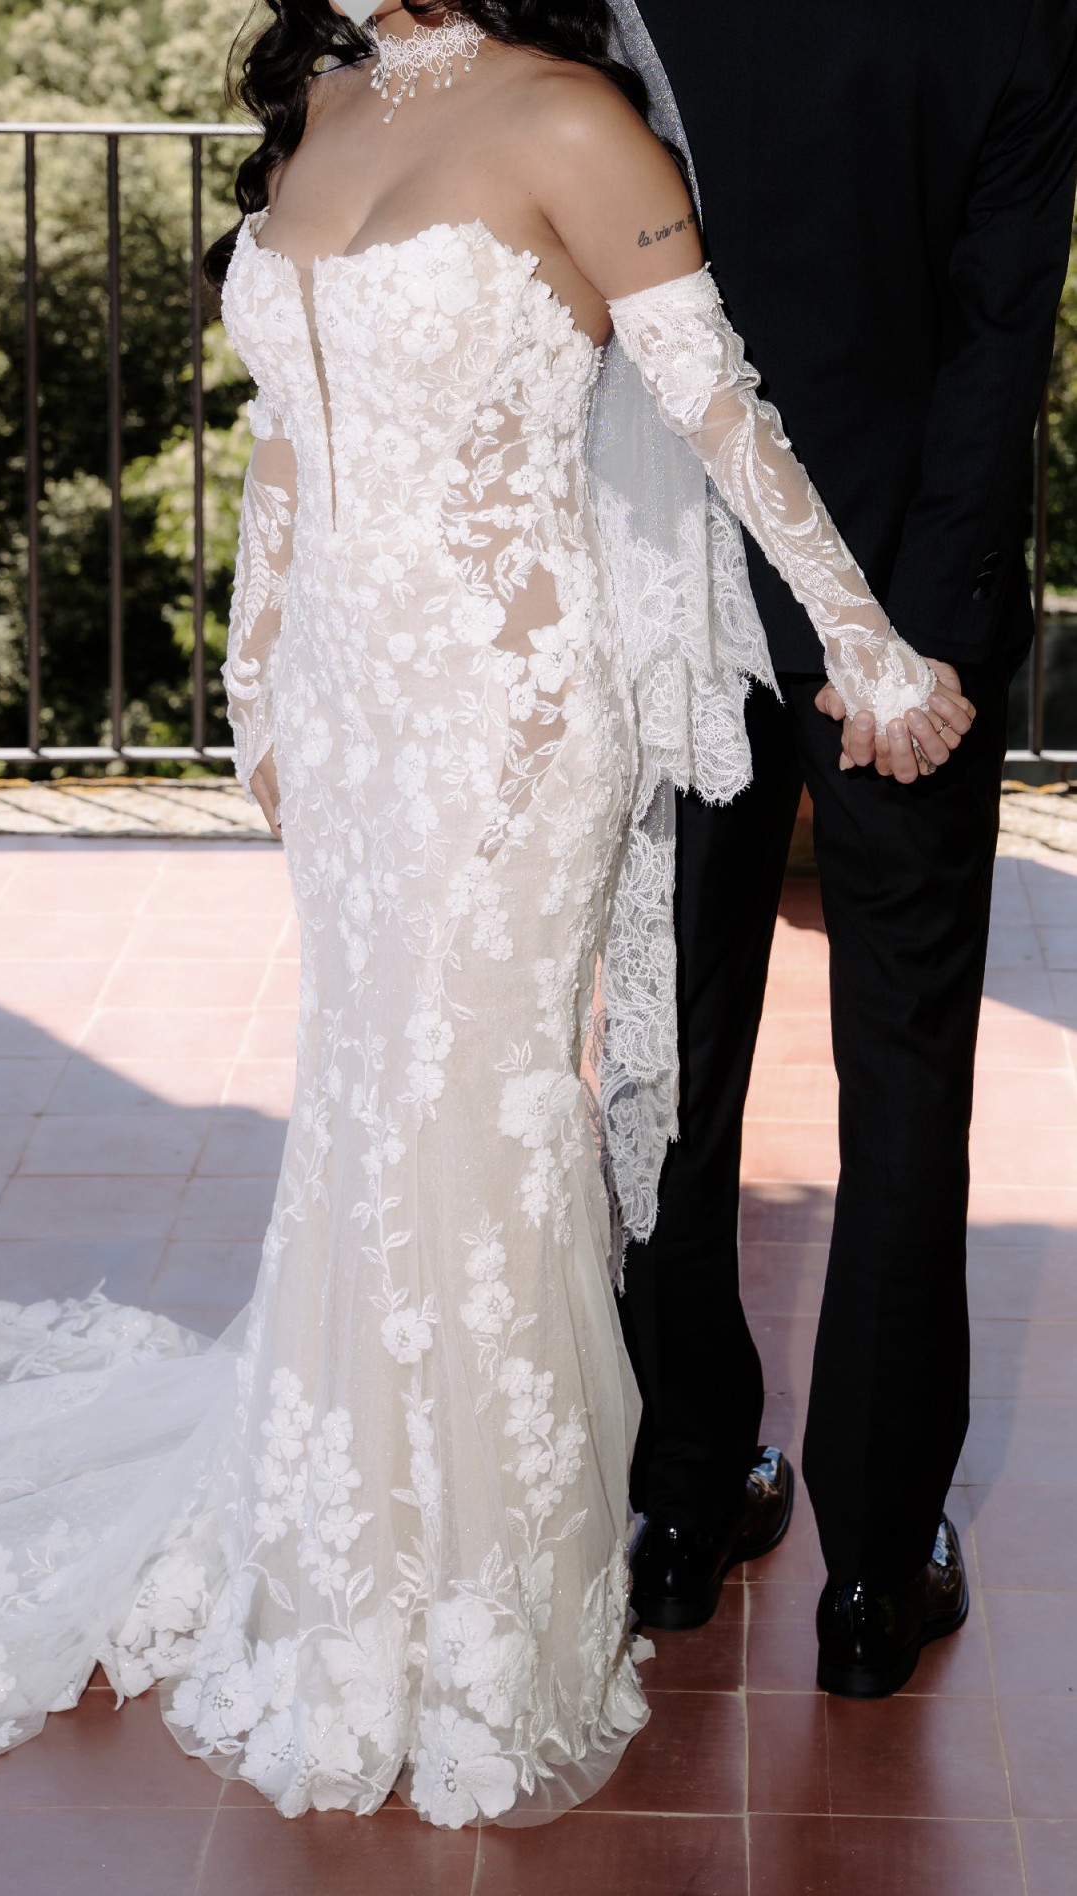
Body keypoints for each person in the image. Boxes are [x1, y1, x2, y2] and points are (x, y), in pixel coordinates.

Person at [0, 3, 976, 1878]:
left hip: (511, 719)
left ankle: (481, 1611)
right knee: (367, 1110)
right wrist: (253, 664)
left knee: (479, 1116)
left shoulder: (577, 120)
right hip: (352, 718)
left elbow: (720, 412)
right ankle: (353, 1532)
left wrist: (866, 647)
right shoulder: (323, 102)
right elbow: (291, 427)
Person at [623, 0, 1077, 1696]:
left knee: (669, 1060)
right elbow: (998, 337)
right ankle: (876, 1575)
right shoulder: (1017, 14)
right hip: (903, 598)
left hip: (680, 594)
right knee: (905, 1078)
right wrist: (922, 636)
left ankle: (682, 1510)